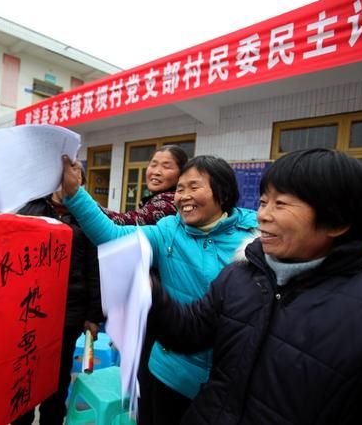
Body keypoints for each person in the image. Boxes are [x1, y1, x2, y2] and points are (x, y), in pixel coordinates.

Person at [148, 148, 362, 424]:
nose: (262, 215)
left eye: (281, 204)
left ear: (336, 221)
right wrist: (148, 292)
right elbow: (188, 332)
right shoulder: (241, 275)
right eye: (263, 202)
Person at [61, 155, 258, 424]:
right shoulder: (168, 230)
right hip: (166, 372)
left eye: (194, 187)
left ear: (222, 193)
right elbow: (112, 236)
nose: (184, 196)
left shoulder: (253, 239)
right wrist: (75, 193)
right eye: (180, 188)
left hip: (224, 381)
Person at [13, 166, 104, 425]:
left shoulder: (87, 216)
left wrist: (93, 316)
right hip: (29, 308)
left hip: (69, 310)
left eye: (74, 181)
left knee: (58, 376)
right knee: (25, 373)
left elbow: (94, 267)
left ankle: (52, 420)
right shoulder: (31, 209)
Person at [101, 145, 187, 225]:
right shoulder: (156, 199)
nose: (156, 172)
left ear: (182, 173)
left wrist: (88, 203)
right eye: (153, 165)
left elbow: (125, 222)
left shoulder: (171, 203)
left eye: (166, 167)